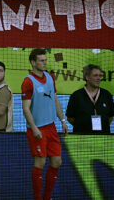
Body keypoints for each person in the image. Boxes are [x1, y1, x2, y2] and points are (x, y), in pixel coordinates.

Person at [21, 48, 68, 199]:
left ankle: (47, 196)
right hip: (37, 129)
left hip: (51, 127)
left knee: (57, 161)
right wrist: (34, 128)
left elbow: (55, 99)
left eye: (45, 60)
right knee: (40, 163)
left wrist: (63, 121)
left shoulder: (50, 77)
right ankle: (37, 197)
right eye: (41, 60)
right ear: (33, 62)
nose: (44, 63)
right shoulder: (28, 81)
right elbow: (25, 109)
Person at [65, 63, 114, 134]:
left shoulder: (107, 95)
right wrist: (82, 127)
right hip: (82, 137)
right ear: (87, 77)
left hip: (103, 137)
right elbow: (70, 117)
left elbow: (111, 116)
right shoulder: (76, 95)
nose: (98, 78)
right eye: (95, 75)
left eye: (99, 76)